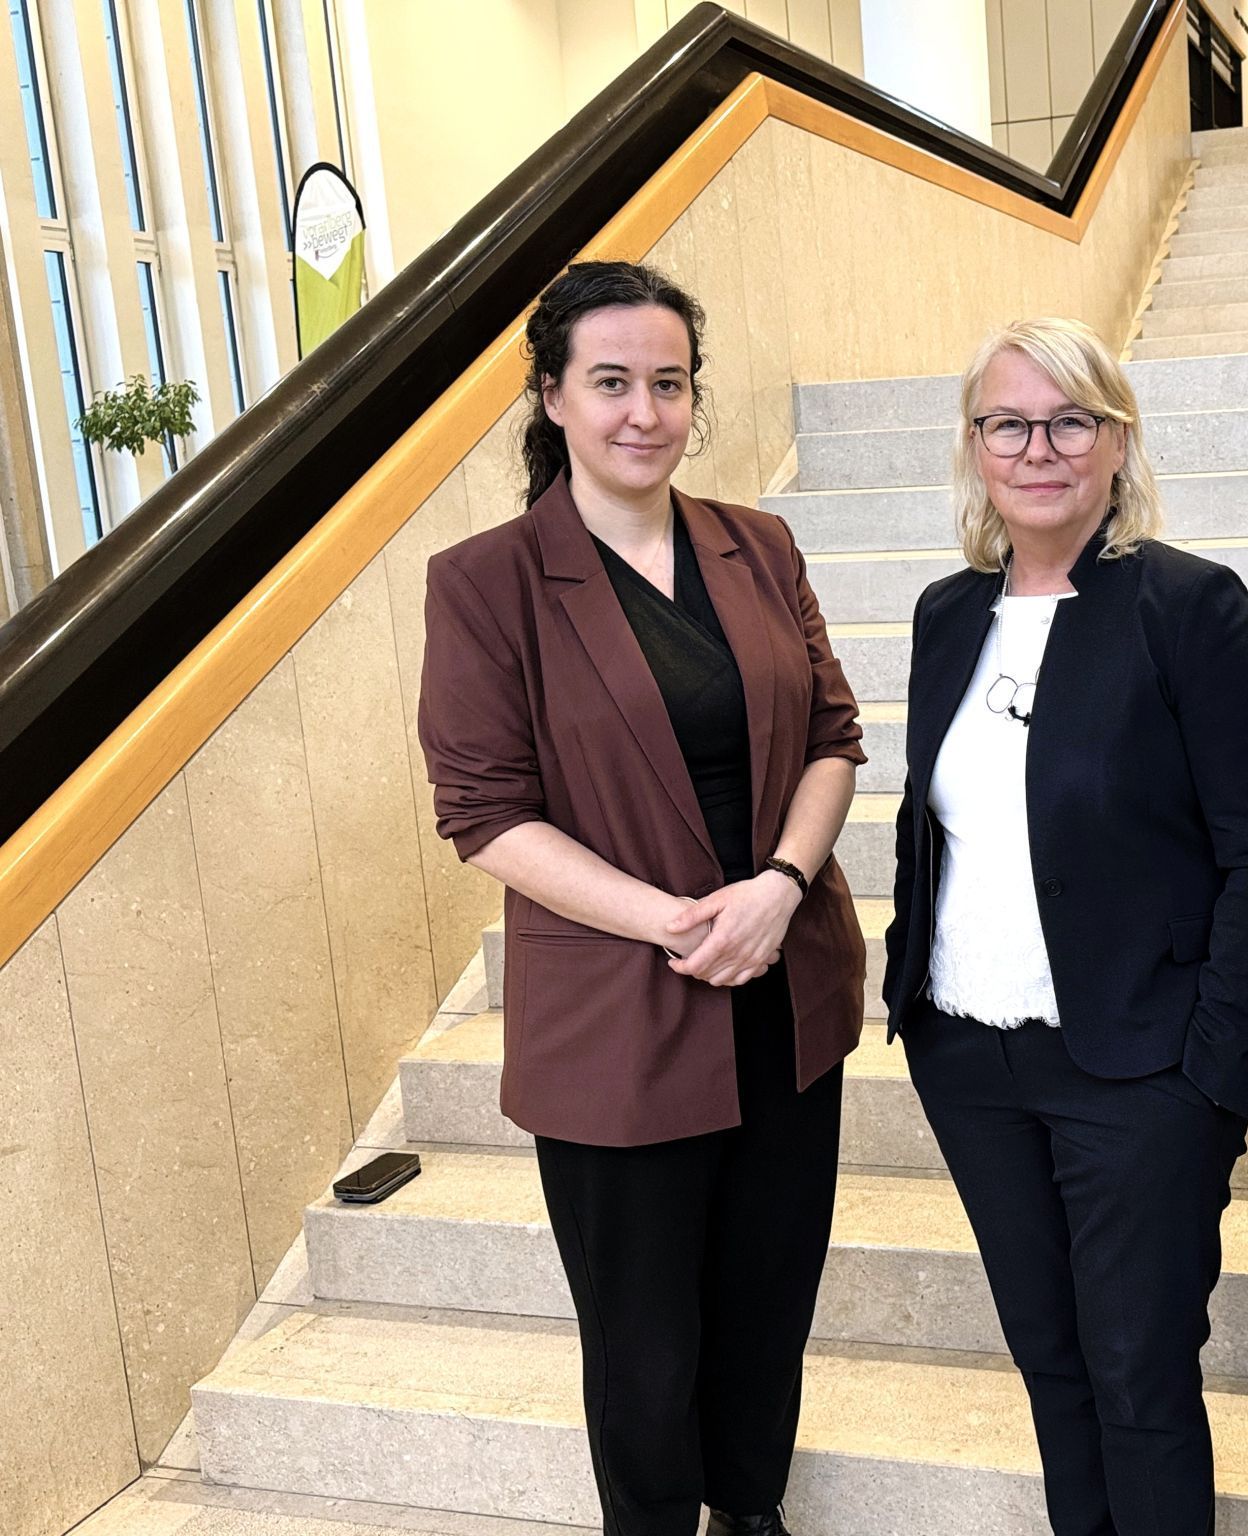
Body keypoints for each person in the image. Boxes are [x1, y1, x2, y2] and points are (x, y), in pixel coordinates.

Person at [417, 261, 866, 1536]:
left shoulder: (756, 543)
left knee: (768, 1300)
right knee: (644, 1341)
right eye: (609, 382)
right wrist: (678, 920)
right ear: (552, 397)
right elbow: (486, 813)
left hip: (785, 992)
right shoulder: (487, 581)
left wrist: (777, 887)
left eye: (667, 383)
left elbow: (834, 736)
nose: (643, 412)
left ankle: (755, 1510)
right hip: (621, 1012)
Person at [880, 316, 1248, 1535]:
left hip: (1136, 1069)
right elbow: (943, 824)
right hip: (971, 1055)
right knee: (1051, 1364)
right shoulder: (943, 616)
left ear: (1117, 442)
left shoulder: (1187, 609)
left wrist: (1211, 1075)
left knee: (1137, 1378)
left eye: (1070, 419)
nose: (1038, 447)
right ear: (974, 447)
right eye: (1007, 422)